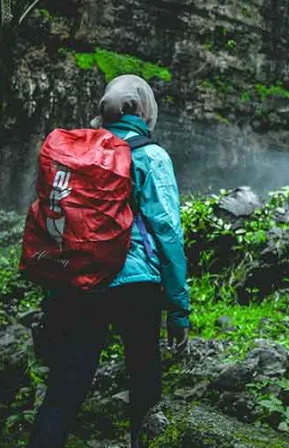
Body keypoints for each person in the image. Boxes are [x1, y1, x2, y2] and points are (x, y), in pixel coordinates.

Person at [28, 75, 190, 448]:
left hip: (80, 280)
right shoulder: (151, 156)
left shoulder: (77, 157)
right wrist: (178, 309)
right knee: (145, 381)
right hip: (136, 285)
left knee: (66, 386)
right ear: (145, 109)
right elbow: (167, 233)